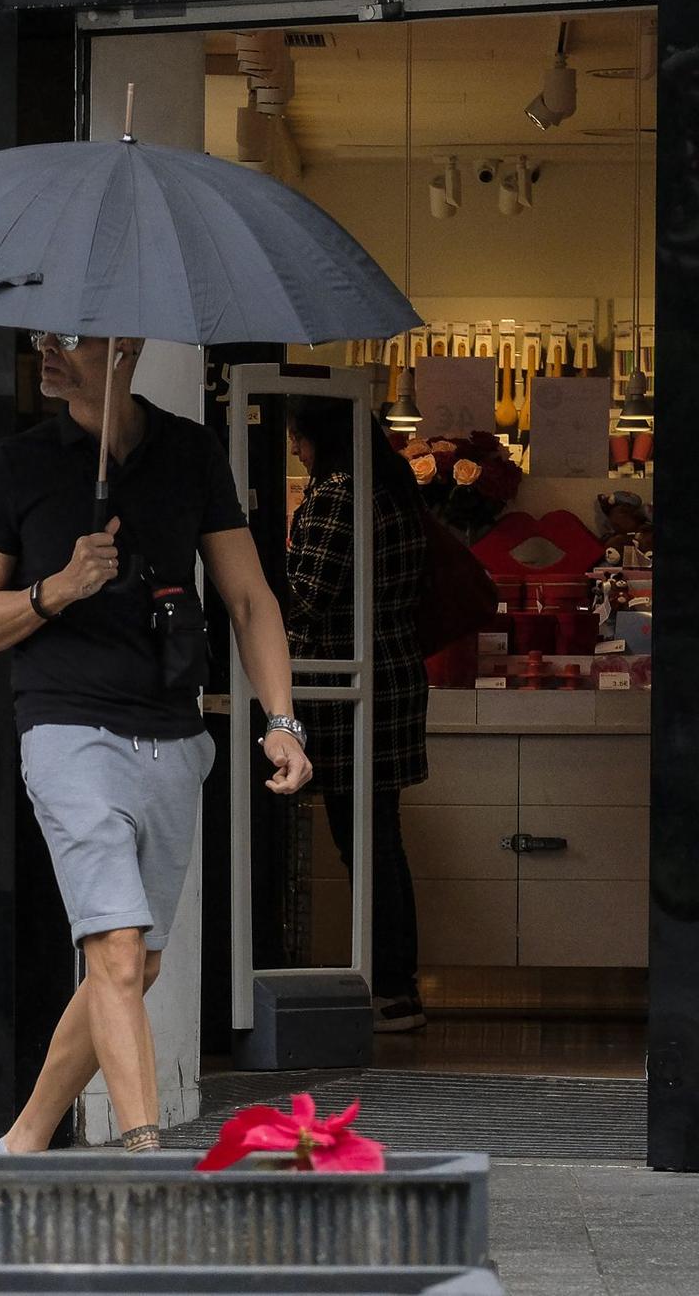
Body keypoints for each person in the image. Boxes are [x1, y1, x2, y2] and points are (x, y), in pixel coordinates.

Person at [0, 332, 312, 1155]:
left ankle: (24, 1141)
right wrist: (58, 589)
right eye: (45, 331)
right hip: (67, 729)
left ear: (127, 347)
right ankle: (146, 1159)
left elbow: (250, 599)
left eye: (73, 336)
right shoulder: (18, 464)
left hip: (174, 737)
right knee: (113, 946)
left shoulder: (189, 451)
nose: (47, 348)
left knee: (134, 966)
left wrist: (282, 721)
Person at [285, 398, 429, 1034]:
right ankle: (397, 985)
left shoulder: (338, 493)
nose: (295, 450)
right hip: (395, 672)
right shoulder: (392, 488)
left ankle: (393, 989)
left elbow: (307, 597)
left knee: (364, 841)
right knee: (379, 836)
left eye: (299, 437)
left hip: (348, 688)